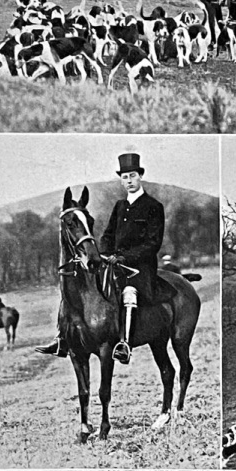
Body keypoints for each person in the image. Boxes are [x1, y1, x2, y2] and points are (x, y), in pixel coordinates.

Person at [99, 151, 165, 366]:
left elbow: (153, 244)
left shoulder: (153, 206)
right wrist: (106, 253)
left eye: (132, 176)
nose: (128, 181)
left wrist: (125, 257)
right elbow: (108, 235)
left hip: (141, 268)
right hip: (115, 265)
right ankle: (66, 338)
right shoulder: (119, 206)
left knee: (129, 292)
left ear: (141, 176)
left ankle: (124, 344)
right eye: (124, 177)